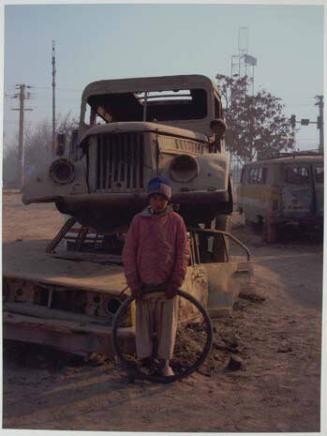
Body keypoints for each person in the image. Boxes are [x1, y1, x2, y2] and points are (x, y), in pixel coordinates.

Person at [122, 175, 189, 376]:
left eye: (162, 199)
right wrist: (134, 283)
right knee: (143, 325)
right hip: (144, 285)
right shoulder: (138, 221)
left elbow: (182, 253)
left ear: (167, 201)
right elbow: (129, 253)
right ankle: (144, 361)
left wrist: (175, 282)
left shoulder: (176, 221)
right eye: (154, 198)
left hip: (166, 286)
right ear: (149, 199)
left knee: (167, 326)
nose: (158, 203)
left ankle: (164, 363)